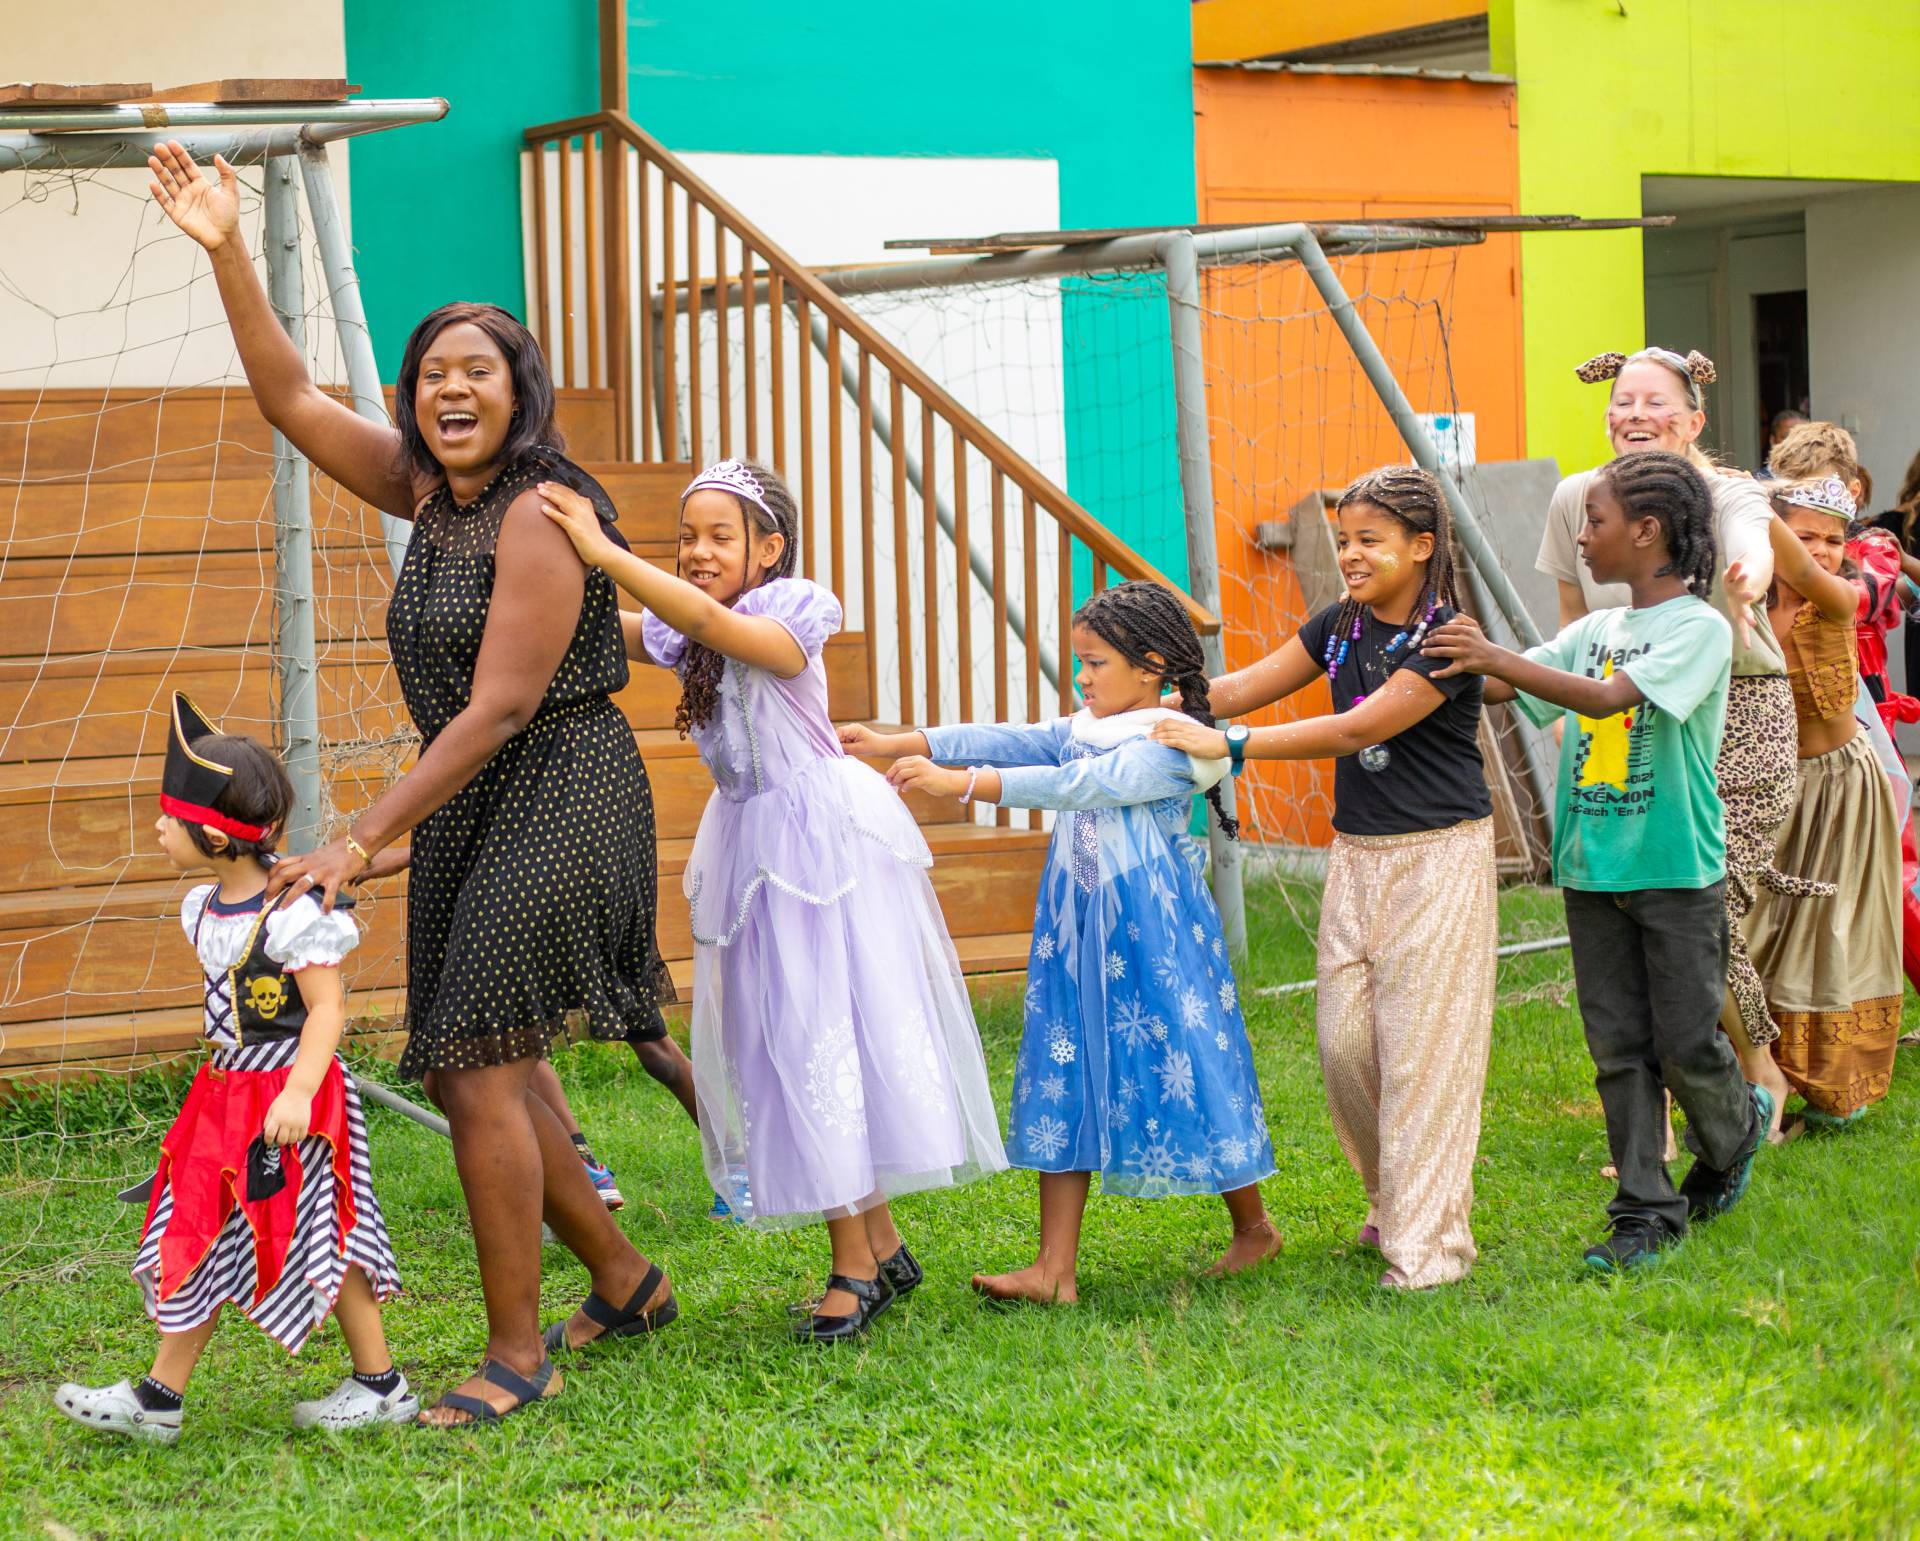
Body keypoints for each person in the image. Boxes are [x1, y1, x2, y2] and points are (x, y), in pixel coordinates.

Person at [148, 142, 678, 1426]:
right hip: (473, 797)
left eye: (476, 371)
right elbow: (288, 395)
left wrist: (362, 836)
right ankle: (624, 1279)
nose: (451, 388)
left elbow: (501, 705)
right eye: (433, 372)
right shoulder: (425, 488)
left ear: (519, 393)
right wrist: (226, 246)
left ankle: (517, 1353)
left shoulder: (541, 510)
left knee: (483, 1069)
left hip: (563, 784)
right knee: (460, 1065)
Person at [541, 461, 1006, 1343]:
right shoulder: (689, 623)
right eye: (687, 536)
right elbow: (630, 625)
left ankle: (853, 1266)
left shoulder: (794, 607)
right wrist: (550, 562)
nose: (698, 550)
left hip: (814, 844)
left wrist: (604, 552)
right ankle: (882, 1243)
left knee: (813, 1034)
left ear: (769, 548)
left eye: (721, 536)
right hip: (753, 842)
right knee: (790, 1040)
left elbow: (708, 622)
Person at [850, 580, 1279, 1305]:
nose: (1082, 676)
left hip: (1151, 933)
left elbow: (1081, 785)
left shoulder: (1171, 742)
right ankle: (1053, 1270)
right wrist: (901, 742)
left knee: (1188, 1056)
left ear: (1150, 668)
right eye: (1079, 660)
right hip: (1075, 929)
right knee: (1066, 1061)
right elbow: (1010, 738)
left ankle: (1255, 1228)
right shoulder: (1089, 724)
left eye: (1096, 662)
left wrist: (959, 785)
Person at [1151, 467, 1496, 1289]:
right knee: (1344, 1048)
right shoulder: (1340, 625)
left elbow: (1357, 729)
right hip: (1358, 855)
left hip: (1439, 856)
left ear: (1423, 546)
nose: (1350, 554)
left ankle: (1429, 1249)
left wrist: (1230, 746)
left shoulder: (1445, 638)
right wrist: (1150, 706)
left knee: (1422, 1054)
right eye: (1344, 539)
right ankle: (1393, 1198)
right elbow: (1243, 687)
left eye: (1370, 540)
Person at [1428, 451, 1770, 1272]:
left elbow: (1611, 697)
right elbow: (1514, 685)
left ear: (1646, 532)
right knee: (1618, 1048)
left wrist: (1493, 655)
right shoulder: (1594, 633)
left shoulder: (1699, 629)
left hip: (1676, 874)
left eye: (1596, 521)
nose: (1582, 538)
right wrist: (1431, 652)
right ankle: (1645, 1212)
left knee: (1687, 1045)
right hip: (1591, 872)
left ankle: (1736, 1127)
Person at [55, 698, 407, 1442]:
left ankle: (381, 1385)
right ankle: (159, 1399)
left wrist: (299, 1093)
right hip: (224, 1093)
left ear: (214, 836)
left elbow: (327, 1010)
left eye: (170, 817)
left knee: (324, 1231)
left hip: (291, 1095)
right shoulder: (203, 905)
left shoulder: (293, 912)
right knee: (202, 1224)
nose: (158, 827)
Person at [1538, 349, 1791, 1078]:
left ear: (1693, 422)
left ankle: (1757, 1072)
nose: (1636, 415)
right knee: (1637, 904)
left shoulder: (1725, 492)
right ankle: (1665, 1097)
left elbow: (1753, 544)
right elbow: (1572, 621)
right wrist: (1568, 722)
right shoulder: (1579, 498)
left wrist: (1746, 580)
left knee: (1700, 905)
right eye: (1623, 402)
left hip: (1741, 708)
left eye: (1656, 402)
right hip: (1623, 709)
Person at [1741, 477, 1903, 1131]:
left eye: (1835, 539)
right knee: (1760, 925)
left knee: (1831, 932)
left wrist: (1753, 507)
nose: (1822, 550)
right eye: (1805, 534)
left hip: (1842, 786)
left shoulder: (1837, 595)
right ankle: (1760, 1067)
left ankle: (1827, 1081)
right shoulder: (1743, 603)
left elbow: (1807, 572)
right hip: (1773, 784)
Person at [1757, 409, 1809, 478]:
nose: (1795, 444)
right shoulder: (1754, 481)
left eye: (1802, 438)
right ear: (1773, 441)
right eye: (1788, 438)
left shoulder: (1819, 481)